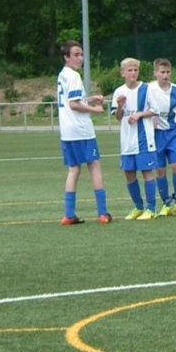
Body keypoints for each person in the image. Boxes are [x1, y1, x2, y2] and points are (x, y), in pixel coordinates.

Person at [56, 40, 111, 225]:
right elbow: (74, 104)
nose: (80, 58)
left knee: (73, 170)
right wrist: (95, 109)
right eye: (76, 55)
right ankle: (102, 213)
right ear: (66, 57)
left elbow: (73, 100)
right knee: (94, 165)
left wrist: (90, 98)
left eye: (81, 54)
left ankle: (68, 215)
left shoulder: (63, 75)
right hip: (81, 130)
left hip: (67, 131)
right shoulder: (74, 76)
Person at [112, 57, 159, 221]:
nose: (133, 73)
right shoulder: (119, 92)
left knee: (147, 172)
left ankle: (151, 208)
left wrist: (139, 115)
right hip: (127, 140)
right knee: (129, 174)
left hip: (144, 138)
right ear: (122, 73)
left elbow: (155, 110)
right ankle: (138, 207)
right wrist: (120, 106)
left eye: (135, 70)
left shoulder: (147, 89)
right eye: (130, 70)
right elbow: (118, 117)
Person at [148, 58, 176, 217]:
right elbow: (144, 107)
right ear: (155, 73)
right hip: (157, 134)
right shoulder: (149, 89)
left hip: (173, 132)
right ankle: (166, 203)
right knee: (160, 170)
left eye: (167, 72)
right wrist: (150, 120)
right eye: (162, 72)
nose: (165, 75)